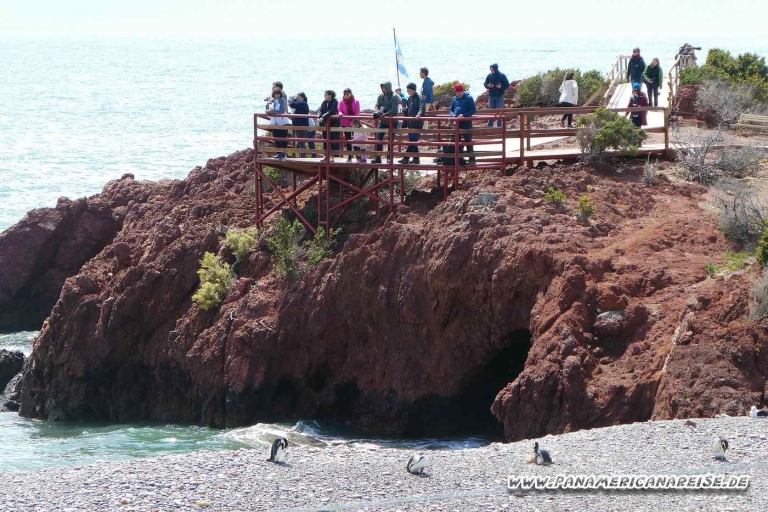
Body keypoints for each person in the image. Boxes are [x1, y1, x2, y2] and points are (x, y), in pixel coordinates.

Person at [371, 82, 400, 164]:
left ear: (388, 87)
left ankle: (389, 157)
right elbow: (377, 105)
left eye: (385, 88)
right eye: (383, 88)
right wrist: (377, 111)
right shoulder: (381, 96)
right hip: (383, 121)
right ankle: (378, 157)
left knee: (390, 140)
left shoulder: (395, 97)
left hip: (392, 121)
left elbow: (394, 109)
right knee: (378, 139)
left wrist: (385, 114)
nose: (384, 89)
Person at [449, 83, 476, 164]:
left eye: (459, 92)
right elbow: (451, 109)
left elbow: (473, 110)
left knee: (468, 140)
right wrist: (453, 115)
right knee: (457, 140)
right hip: (456, 122)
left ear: (462, 91)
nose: (457, 93)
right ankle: (459, 159)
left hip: (466, 122)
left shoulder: (469, 98)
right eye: (456, 92)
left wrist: (464, 115)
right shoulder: (454, 98)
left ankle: (472, 159)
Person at [399, 83, 423, 164]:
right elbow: (409, 108)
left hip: (417, 123)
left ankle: (406, 158)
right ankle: (416, 159)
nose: (407, 91)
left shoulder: (418, 98)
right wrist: (405, 109)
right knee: (413, 141)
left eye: (408, 89)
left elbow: (421, 107)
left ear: (413, 89)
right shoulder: (410, 98)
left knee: (412, 141)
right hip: (410, 123)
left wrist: (419, 114)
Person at [266, 87, 289, 159]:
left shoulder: (282, 101)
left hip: (282, 123)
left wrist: (274, 112)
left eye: (278, 94)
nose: (277, 95)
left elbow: (282, 110)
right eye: (276, 94)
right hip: (274, 123)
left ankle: (284, 154)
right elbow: (267, 108)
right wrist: (268, 110)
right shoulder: (272, 101)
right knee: (276, 139)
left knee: (282, 139)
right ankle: (279, 153)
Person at [338, 88, 361, 161]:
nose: (346, 95)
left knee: (356, 139)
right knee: (348, 140)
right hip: (345, 123)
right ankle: (349, 156)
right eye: (344, 94)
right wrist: (340, 113)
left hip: (355, 124)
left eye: (347, 94)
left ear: (351, 93)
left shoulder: (356, 101)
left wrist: (353, 121)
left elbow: (357, 113)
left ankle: (357, 155)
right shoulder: (341, 102)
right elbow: (339, 110)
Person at [317, 90, 340, 162]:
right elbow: (320, 109)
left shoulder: (335, 101)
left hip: (333, 123)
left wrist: (323, 116)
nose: (324, 96)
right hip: (325, 123)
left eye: (325, 95)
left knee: (332, 140)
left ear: (330, 95)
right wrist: (318, 116)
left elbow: (332, 111)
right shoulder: (324, 102)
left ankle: (332, 156)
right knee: (325, 139)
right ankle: (326, 155)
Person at [289, 92, 310, 157]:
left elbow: (292, 104)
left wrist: (294, 99)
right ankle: (300, 156)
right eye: (297, 97)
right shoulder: (302, 104)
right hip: (300, 126)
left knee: (300, 142)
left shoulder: (303, 103)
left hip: (301, 126)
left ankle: (303, 157)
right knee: (300, 142)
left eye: (299, 97)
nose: (297, 99)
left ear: (303, 98)